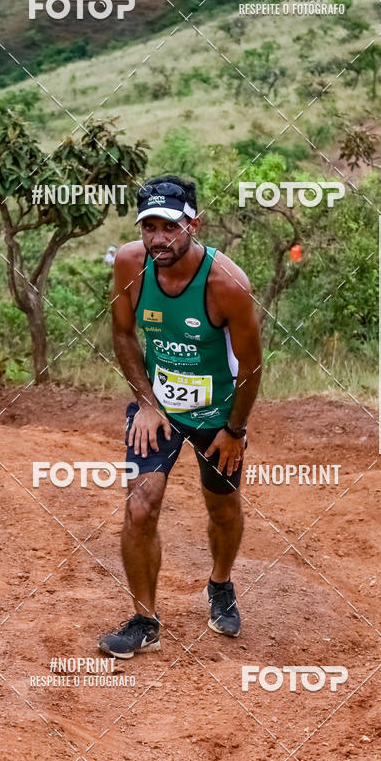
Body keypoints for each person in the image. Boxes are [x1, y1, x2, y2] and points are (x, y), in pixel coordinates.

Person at [99, 175, 262, 658]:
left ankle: (220, 583)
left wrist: (235, 430)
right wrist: (147, 402)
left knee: (223, 506)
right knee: (140, 506)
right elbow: (124, 334)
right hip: (159, 407)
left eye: (168, 226)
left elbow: (251, 367)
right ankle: (144, 619)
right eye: (148, 226)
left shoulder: (227, 284)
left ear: (194, 223)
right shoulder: (131, 264)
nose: (157, 238)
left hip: (218, 413)